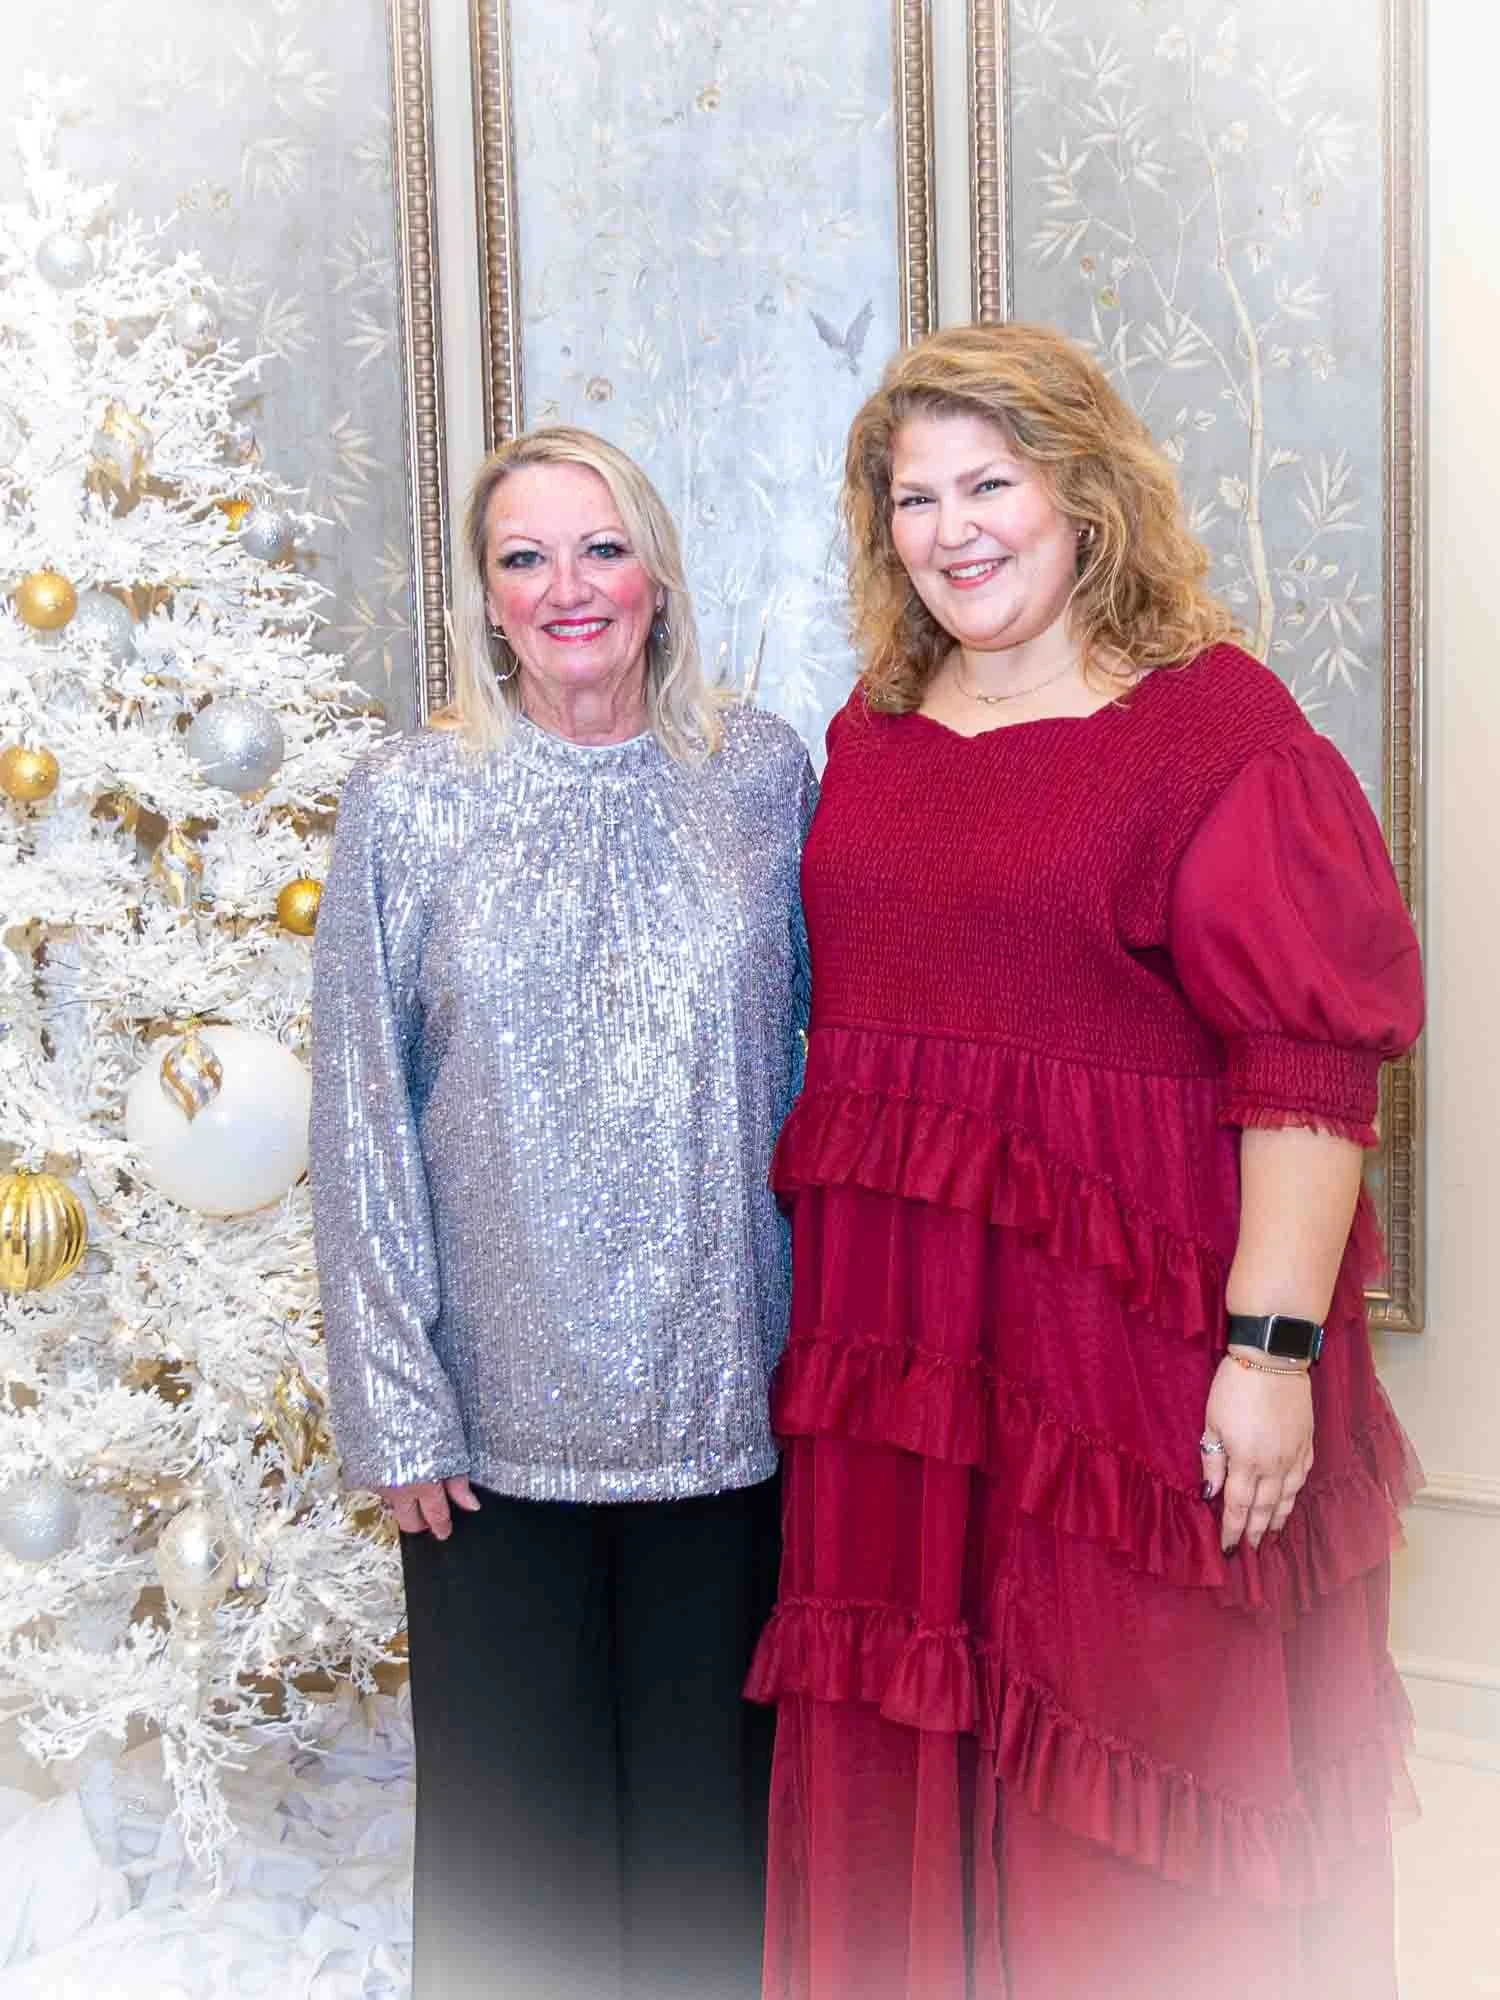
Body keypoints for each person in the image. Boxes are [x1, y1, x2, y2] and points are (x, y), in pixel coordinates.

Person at [745, 325, 1424, 2000]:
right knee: (924, 1734)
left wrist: (1268, 1355)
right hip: (905, 1355)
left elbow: (1309, 1071)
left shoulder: (1220, 733)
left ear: (1085, 497)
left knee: (1134, 1750)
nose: (954, 529)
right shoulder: (879, 730)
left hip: (1131, 1351)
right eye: (916, 497)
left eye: (993, 483)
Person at [309, 425, 813, 2000]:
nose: (567, 587)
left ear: (657, 574)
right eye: (524, 557)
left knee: (703, 1845)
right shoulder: (406, 801)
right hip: (485, 1422)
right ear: (486, 599)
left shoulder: (765, 776)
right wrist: (398, 1403)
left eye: (600, 548)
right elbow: (358, 1118)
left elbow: (830, 1062)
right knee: (512, 1861)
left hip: (726, 1396)